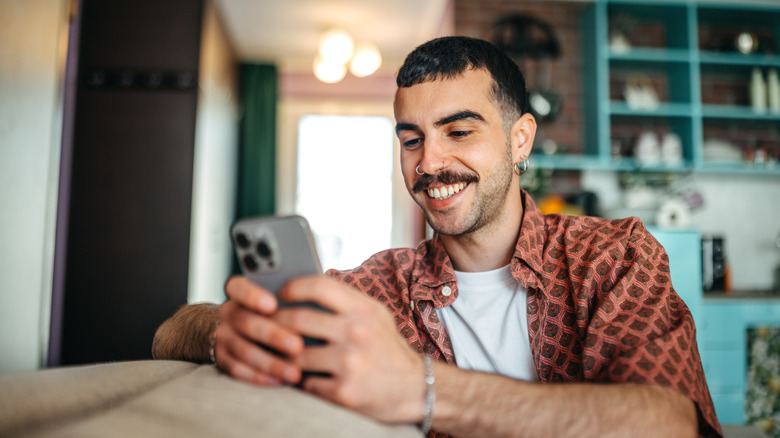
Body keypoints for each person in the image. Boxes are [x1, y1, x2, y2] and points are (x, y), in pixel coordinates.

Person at [153, 36, 722, 438]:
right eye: (411, 140)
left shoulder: (613, 256)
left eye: (458, 131)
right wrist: (225, 334)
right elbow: (171, 331)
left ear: (520, 139)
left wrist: (421, 390)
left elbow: (666, 423)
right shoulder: (378, 288)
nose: (430, 162)